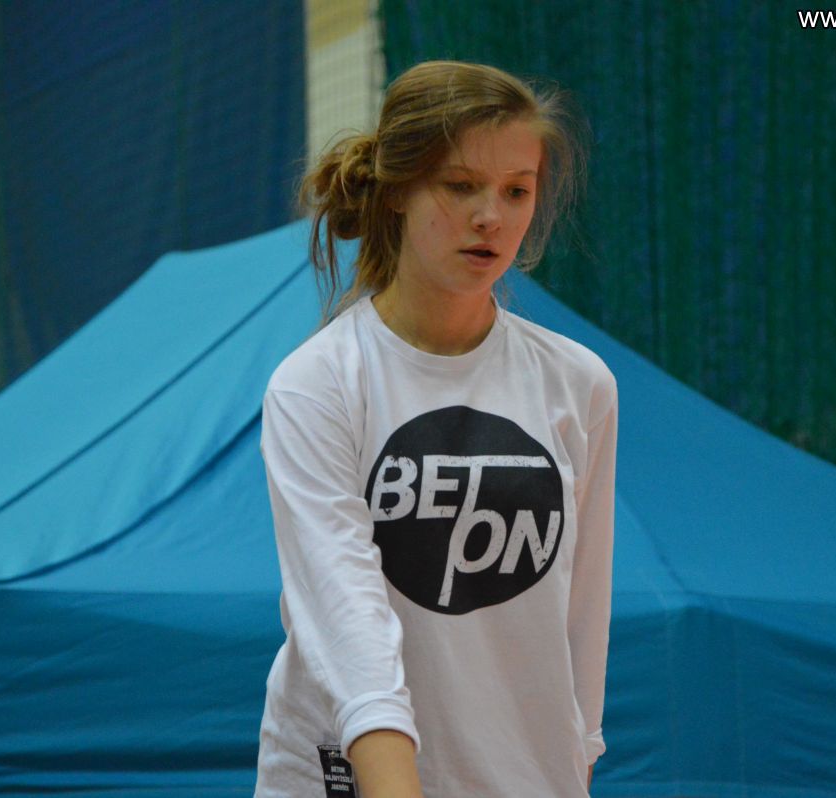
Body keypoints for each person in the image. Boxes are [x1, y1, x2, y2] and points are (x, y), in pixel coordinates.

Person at [255, 60, 618, 798]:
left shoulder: (580, 384)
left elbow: (581, 623)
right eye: (461, 186)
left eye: (516, 190)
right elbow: (347, 622)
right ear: (398, 191)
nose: (492, 217)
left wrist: (575, 762)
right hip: (354, 776)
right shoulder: (317, 384)